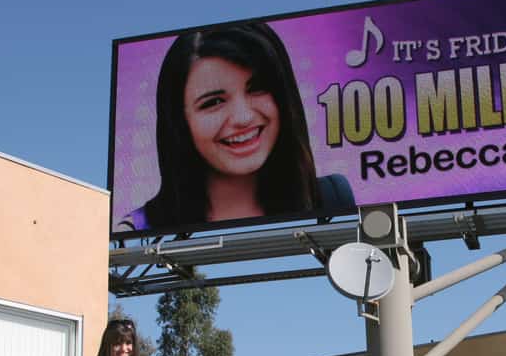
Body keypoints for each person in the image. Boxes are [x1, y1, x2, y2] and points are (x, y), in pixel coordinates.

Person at [116, 22, 354, 233]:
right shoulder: (136, 229)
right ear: (180, 122)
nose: (242, 117)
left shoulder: (332, 197)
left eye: (257, 88)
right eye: (213, 102)